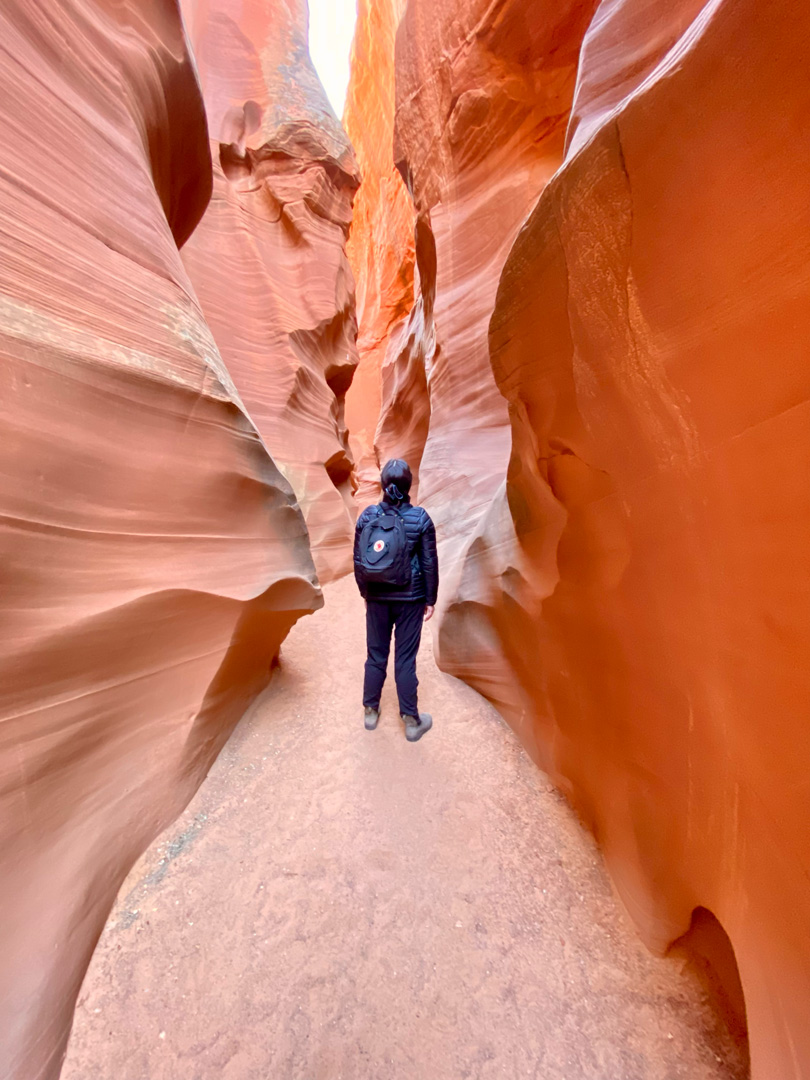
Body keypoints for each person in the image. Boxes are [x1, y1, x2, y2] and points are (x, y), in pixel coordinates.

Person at [353, 459, 438, 742]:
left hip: (377, 598)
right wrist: (430, 598)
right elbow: (429, 563)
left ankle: (370, 711)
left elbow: (358, 560)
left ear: (383, 486)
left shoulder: (368, 517)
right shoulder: (421, 519)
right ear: (408, 485)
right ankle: (411, 721)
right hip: (410, 599)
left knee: (375, 654)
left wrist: (366, 593)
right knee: (404, 659)